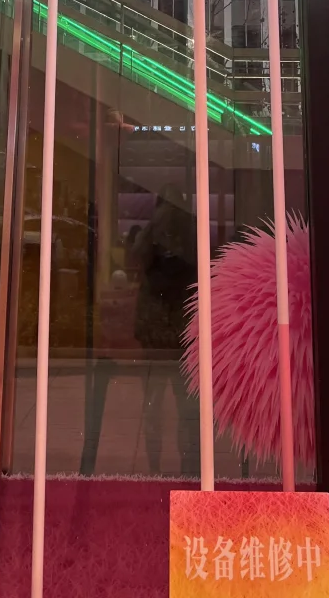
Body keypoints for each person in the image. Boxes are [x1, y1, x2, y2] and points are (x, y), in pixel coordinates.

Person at [133, 184, 198, 475]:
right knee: (186, 407)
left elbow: (138, 260)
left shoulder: (154, 231)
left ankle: (154, 470)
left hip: (159, 323)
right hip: (181, 323)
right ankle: (189, 469)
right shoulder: (191, 232)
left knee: (153, 405)